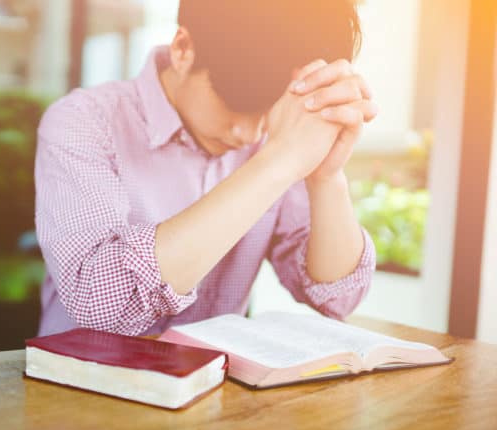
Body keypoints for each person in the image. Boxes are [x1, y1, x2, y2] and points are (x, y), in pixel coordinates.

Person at [35, 0, 378, 336]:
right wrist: (275, 162)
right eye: (236, 105)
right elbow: (102, 302)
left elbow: (337, 299)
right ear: (183, 48)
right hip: (84, 387)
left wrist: (327, 178)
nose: (251, 134)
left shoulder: (281, 142)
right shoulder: (84, 122)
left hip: (213, 389)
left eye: (271, 112)